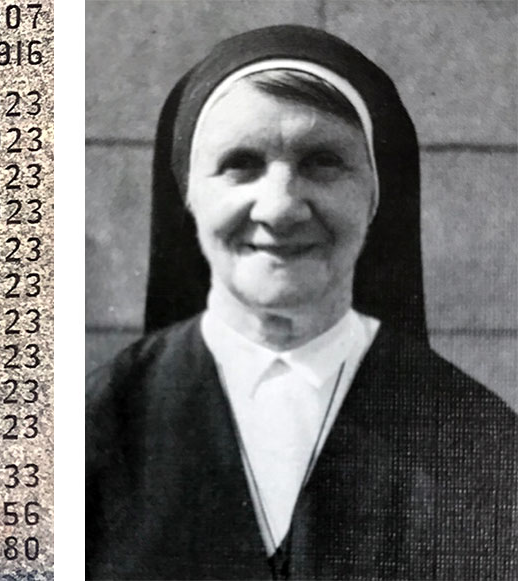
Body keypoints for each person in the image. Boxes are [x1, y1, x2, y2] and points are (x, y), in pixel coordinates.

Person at [86, 25, 518, 580]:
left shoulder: (481, 443)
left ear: (375, 194)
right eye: (241, 163)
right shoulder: (90, 433)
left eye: (323, 162)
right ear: (189, 194)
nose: (282, 208)